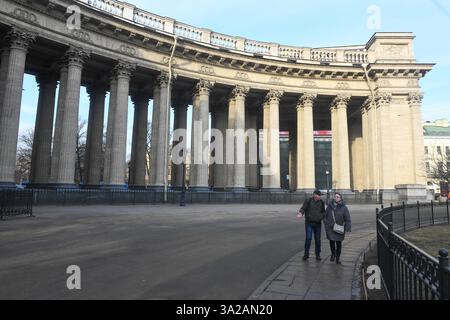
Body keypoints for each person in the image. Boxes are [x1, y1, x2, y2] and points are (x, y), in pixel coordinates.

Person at [324, 192, 352, 264]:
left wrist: (348, 227)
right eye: (335, 196)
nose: (336, 198)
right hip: (331, 227)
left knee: (339, 243)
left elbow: (347, 218)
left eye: (338, 197)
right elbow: (325, 216)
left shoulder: (344, 208)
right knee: (332, 241)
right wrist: (327, 223)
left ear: (340, 198)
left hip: (340, 227)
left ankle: (338, 257)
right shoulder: (329, 207)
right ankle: (333, 254)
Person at [298, 190, 326, 261]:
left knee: (318, 240)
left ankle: (318, 255)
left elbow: (323, 212)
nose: (320, 196)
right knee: (308, 238)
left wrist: (321, 217)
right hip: (309, 223)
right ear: (315, 195)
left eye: (320, 195)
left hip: (318, 224)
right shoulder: (308, 201)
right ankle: (306, 255)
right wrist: (301, 213)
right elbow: (303, 208)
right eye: (319, 195)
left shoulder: (321, 202)